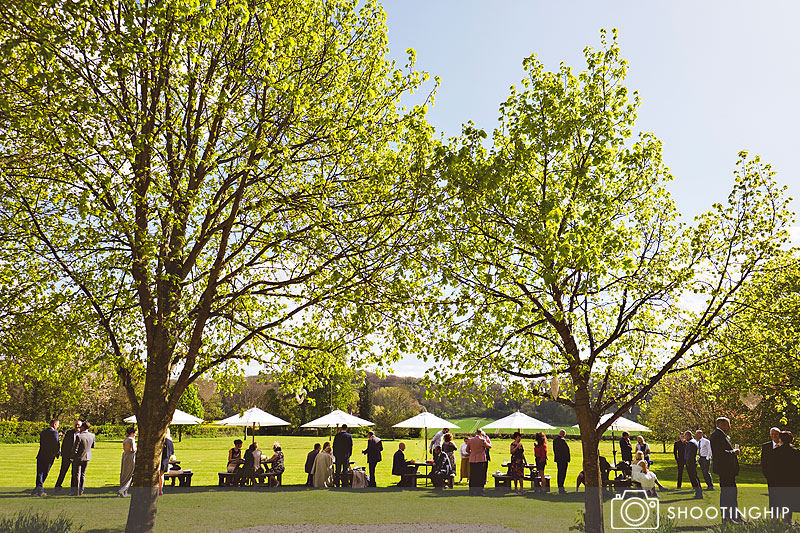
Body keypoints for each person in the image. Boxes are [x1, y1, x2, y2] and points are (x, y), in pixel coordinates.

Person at [710, 417, 741, 523]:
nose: (729, 427)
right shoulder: (716, 436)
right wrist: (734, 452)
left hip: (728, 470)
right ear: (721, 425)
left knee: (731, 493)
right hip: (725, 470)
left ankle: (735, 516)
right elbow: (720, 454)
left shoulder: (720, 436)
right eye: (728, 425)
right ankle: (727, 517)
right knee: (727, 494)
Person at [772, 431, 800, 524]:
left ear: (781, 439)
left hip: (779, 481)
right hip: (792, 481)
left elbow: (774, 468)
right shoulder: (796, 452)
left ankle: (782, 522)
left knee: (781, 502)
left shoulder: (776, 452)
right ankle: (788, 521)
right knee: (790, 502)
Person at [33, 418, 60, 496]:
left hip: (41, 454)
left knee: (39, 472)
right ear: (54, 424)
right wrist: (56, 453)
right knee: (44, 472)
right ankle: (40, 490)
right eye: (57, 425)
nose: (58, 426)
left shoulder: (43, 432)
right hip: (49, 456)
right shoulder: (54, 433)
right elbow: (56, 444)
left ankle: (36, 490)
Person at [54, 420, 81, 492]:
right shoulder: (69, 433)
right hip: (67, 456)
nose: (77, 426)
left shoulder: (82, 434)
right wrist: (63, 454)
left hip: (77, 457)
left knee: (75, 473)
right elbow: (64, 444)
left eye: (78, 425)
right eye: (76, 424)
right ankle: (57, 486)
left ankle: (73, 488)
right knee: (63, 471)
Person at [71, 421, 95, 496]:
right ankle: (81, 490)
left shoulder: (79, 436)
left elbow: (75, 449)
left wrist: (72, 457)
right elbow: (92, 446)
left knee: (76, 475)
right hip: (87, 457)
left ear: (83, 427)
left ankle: (76, 491)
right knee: (83, 474)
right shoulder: (92, 435)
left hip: (78, 457)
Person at [761, 427, 781, 514]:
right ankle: (773, 517)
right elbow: (764, 463)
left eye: (776, 434)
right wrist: (768, 475)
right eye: (772, 434)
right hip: (771, 477)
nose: (774, 436)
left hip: (783, 477)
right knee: (772, 497)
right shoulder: (766, 446)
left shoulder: (784, 446)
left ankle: (784, 517)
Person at [466, 429, 491, 496]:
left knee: (473, 475)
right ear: (481, 433)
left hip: (472, 459)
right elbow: (489, 446)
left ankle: (471, 490)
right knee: (480, 476)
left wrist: (472, 453)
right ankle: (479, 491)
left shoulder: (470, 440)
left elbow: (467, 450)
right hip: (481, 459)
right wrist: (488, 440)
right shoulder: (482, 440)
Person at [117, 426, 136, 497]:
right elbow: (134, 449)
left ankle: (124, 491)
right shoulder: (131, 439)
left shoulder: (125, 439)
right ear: (132, 433)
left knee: (124, 473)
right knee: (129, 474)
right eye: (135, 433)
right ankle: (122, 490)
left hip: (125, 455)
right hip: (130, 456)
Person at [684, 430, 703, 499]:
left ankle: (698, 493)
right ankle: (698, 492)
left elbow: (690, 454)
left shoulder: (691, 443)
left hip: (691, 462)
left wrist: (687, 462)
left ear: (688, 435)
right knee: (695, 477)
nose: (684, 437)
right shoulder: (692, 442)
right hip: (692, 462)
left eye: (685, 435)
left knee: (693, 478)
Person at [158, 428, 174, 496]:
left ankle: (159, 490)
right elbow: (172, 452)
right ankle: (160, 490)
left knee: (159, 475)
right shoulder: (170, 441)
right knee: (161, 475)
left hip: (161, 459)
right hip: (166, 459)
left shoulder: (163, 441)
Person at [553, 429, 570, 494]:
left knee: (559, 473)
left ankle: (560, 486)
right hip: (563, 460)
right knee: (562, 473)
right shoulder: (562, 441)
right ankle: (561, 487)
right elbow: (566, 451)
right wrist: (567, 459)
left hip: (558, 459)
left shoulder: (555, 440)